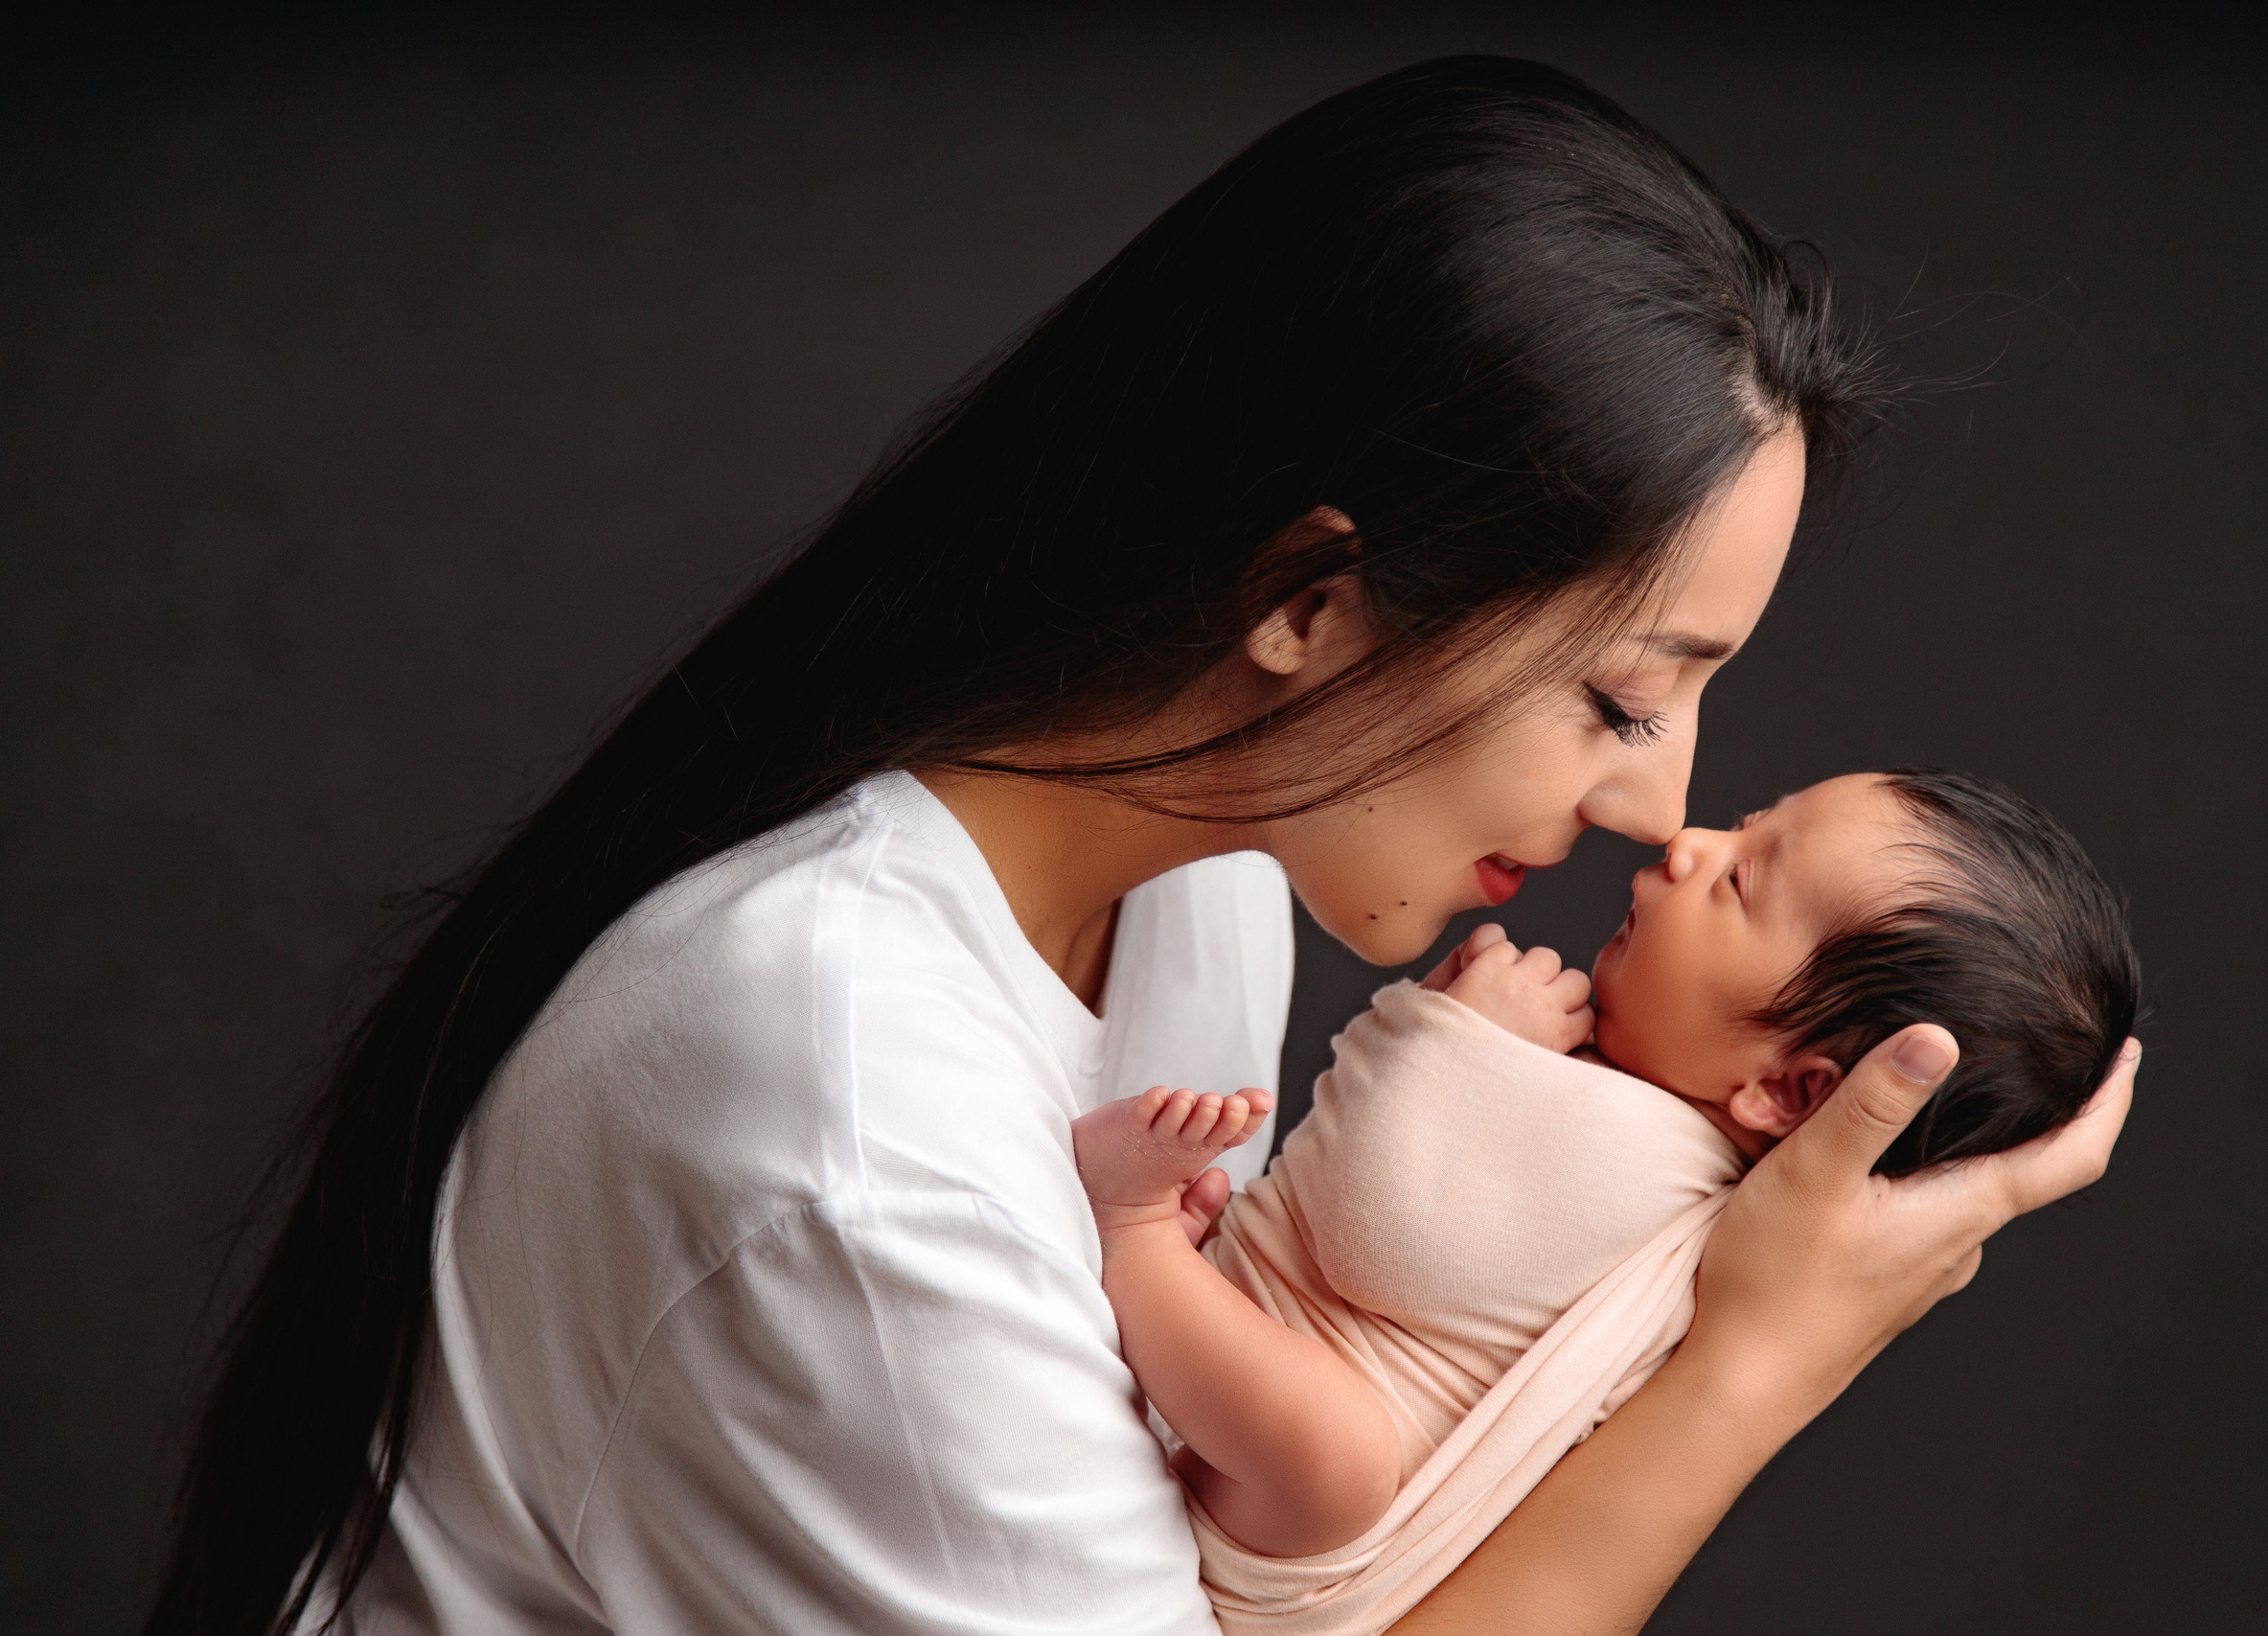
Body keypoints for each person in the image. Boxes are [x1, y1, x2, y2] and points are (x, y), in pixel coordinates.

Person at [147, 57, 2138, 1636]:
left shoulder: (1189, 907)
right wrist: (1747, 1363)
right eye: (1619, 695)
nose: (1652, 803)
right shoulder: (844, 1116)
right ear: (1307, 602)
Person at [1070, 769, 2140, 1630]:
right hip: (1234, 1436)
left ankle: (1131, 1237)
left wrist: (1441, 1035)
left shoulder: (1651, 1162)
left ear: (1788, 1090)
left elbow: (1383, 1225)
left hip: (1293, 1551)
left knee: (1333, 1458)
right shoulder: (1681, 1173)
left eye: (1738, 883)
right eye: (1743, 824)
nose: (1686, 843)